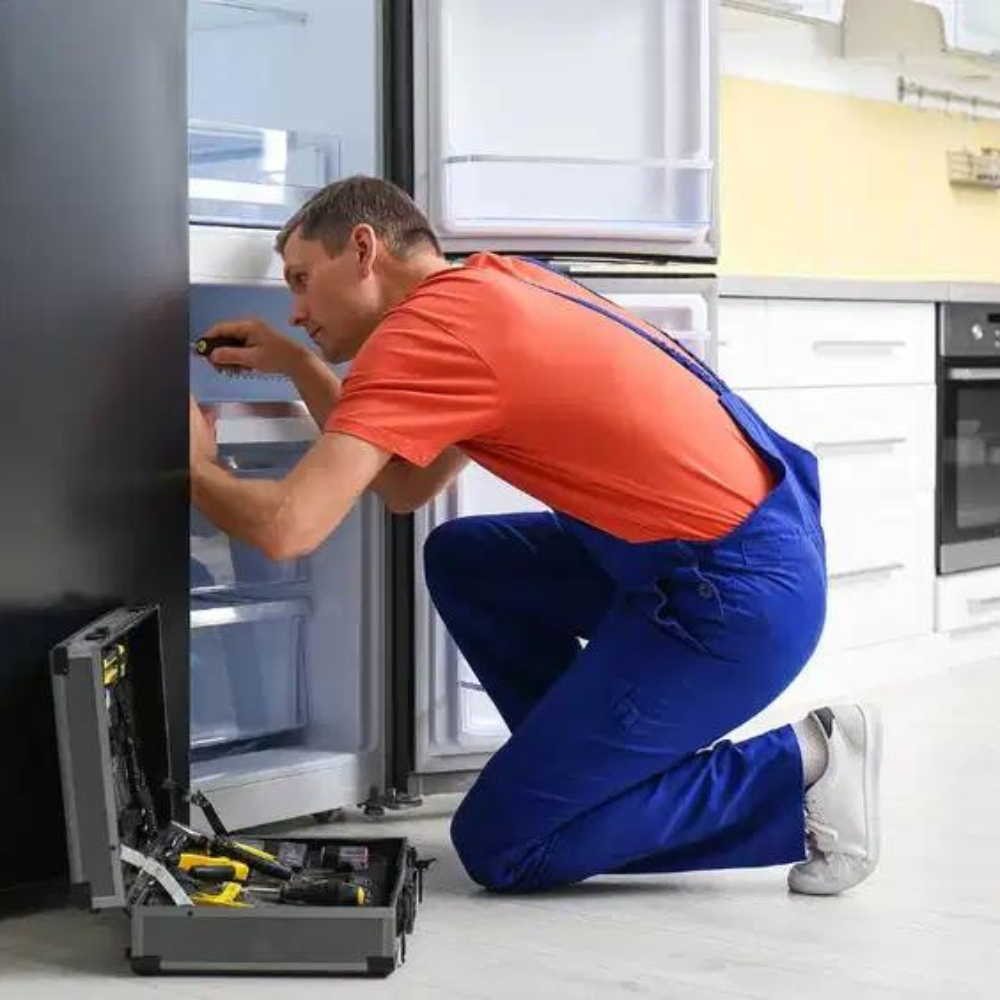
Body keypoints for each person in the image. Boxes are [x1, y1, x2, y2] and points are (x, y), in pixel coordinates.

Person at [189, 175, 883, 897]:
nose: (297, 310)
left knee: (503, 846)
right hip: (754, 555)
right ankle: (578, 778)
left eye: (302, 281)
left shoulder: (425, 334)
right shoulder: (502, 281)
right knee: (465, 560)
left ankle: (805, 767)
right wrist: (302, 367)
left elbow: (287, 526)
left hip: (727, 602)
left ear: (363, 249)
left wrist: (193, 462)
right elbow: (406, 486)